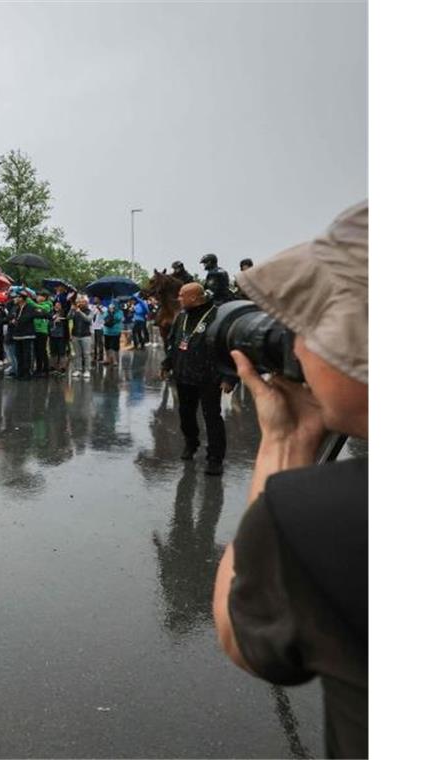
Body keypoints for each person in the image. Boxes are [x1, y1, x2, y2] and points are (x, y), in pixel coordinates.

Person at [213, 201, 367, 758]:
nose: (296, 346)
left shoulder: (328, 518)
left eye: (312, 324)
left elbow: (242, 630)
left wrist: (285, 440)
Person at [160, 283, 235, 475]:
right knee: (186, 415)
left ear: (194, 297)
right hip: (184, 374)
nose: (179, 299)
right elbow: (173, 343)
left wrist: (229, 377)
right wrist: (166, 364)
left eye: (182, 295)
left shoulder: (217, 316)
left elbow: (229, 347)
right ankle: (191, 443)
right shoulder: (182, 317)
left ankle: (215, 458)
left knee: (212, 417)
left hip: (209, 376)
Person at [9, 291, 37, 380]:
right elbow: (10, 316)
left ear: (22, 298)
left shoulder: (29, 307)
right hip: (17, 334)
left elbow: (27, 318)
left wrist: (17, 320)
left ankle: (27, 373)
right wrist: (12, 320)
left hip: (27, 334)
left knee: (26, 355)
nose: (15, 299)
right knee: (18, 354)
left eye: (17, 297)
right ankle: (19, 372)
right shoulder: (17, 308)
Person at [69, 296, 92, 378]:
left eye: (83, 302)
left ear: (86, 303)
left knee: (86, 354)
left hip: (86, 335)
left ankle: (87, 370)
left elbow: (88, 320)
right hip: (75, 334)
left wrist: (79, 312)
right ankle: (78, 369)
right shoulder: (75, 310)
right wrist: (72, 309)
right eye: (79, 302)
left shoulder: (89, 311)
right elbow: (69, 317)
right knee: (77, 354)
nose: (81, 303)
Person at [32, 292, 51, 376]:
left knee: (42, 350)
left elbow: (39, 308)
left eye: (40, 296)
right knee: (36, 351)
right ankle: (38, 369)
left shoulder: (47, 305)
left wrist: (29, 301)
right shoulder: (36, 305)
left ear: (45, 297)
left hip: (42, 331)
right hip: (35, 330)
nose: (38, 297)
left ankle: (45, 369)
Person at [101, 298, 123, 366]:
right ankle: (107, 359)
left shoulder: (119, 311)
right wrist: (109, 312)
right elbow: (104, 317)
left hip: (115, 332)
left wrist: (113, 313)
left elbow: (118, 318)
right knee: (107, 346)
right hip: (107, 331)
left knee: (114, 346)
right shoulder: (107, 311)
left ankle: (115, 360)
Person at [48, 300, 68, 374]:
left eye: (59, 305)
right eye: (56, 305)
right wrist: (53, 320)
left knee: (62, 352)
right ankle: (53, 366)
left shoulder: (64, 313)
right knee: (53, 351)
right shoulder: (51, 313)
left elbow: (67, 320)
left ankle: (62, 367)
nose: (57, 307)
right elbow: (48, 322)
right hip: (52, 335)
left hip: (61, 335)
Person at [90, 296, 106, 365]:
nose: (94, 299)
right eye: (94, 298)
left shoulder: (104, 308)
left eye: (96, 298)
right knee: (94, 343)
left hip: (100, 327)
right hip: (93, 327)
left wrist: (99, 308)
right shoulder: (92, 307)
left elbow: (104, 314)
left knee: (100, 343)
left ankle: (101, 357)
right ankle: (94, 357)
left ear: (99, 300)